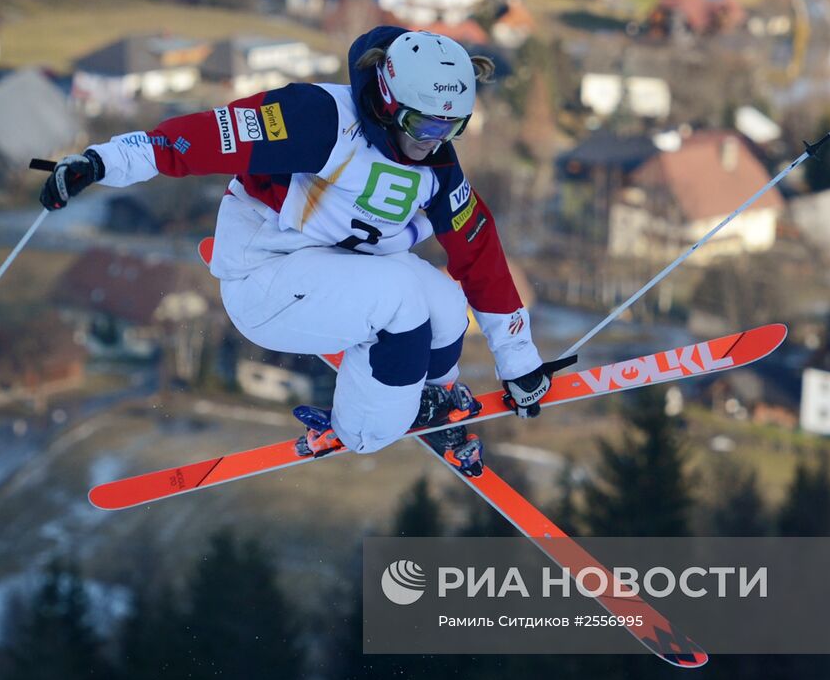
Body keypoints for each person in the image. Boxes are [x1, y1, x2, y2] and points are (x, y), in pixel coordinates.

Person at [41, 26, 555, 476]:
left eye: (452, 128)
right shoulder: (318, 119)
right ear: (389, 101)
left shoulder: (438, 163)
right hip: (265, 279)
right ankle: (365, 429)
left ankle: (434, 398)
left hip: (335, 272)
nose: (436, 142)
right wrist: (101, 162)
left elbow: (477, 248)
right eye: (425, 127)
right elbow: (203, 138)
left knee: (444, 304)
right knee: (403, 299)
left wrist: (518, 360)